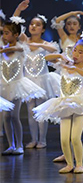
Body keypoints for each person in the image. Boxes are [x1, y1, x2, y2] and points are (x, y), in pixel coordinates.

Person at [33, 32, 83, 173]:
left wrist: (75, 68)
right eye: (75, 50)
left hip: (80, 104)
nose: (76, 54)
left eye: (80, 52)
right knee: (64, 139)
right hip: (64, 104)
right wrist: (60, 56)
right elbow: (45, 58)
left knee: (75, 137)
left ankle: (79, 164)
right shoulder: (65, 63)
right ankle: (69, 164)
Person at [13, 0, 61, 149]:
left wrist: (39, 45)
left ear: (42, 29)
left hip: (42, 80)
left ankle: (43, 140)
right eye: (32, 24)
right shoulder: (24, 40)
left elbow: (54, 51)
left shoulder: (47, 44)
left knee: (41, 110)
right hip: (28, 80)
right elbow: (14, 25)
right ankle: (33, 139)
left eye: (37, 25)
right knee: (30, 110)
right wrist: (18, 10)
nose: (33, 26)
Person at [1, 16, 46, 155]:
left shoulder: (21, 48)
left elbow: (19, 48)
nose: (4, 35)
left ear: (15, 35)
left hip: (17, 86)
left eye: (7, 33)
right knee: (6, 117)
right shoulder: (2, 49)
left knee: (14, 116)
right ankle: (11, 145)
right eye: (3, 33)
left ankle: (19, 145)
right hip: (3, 85)